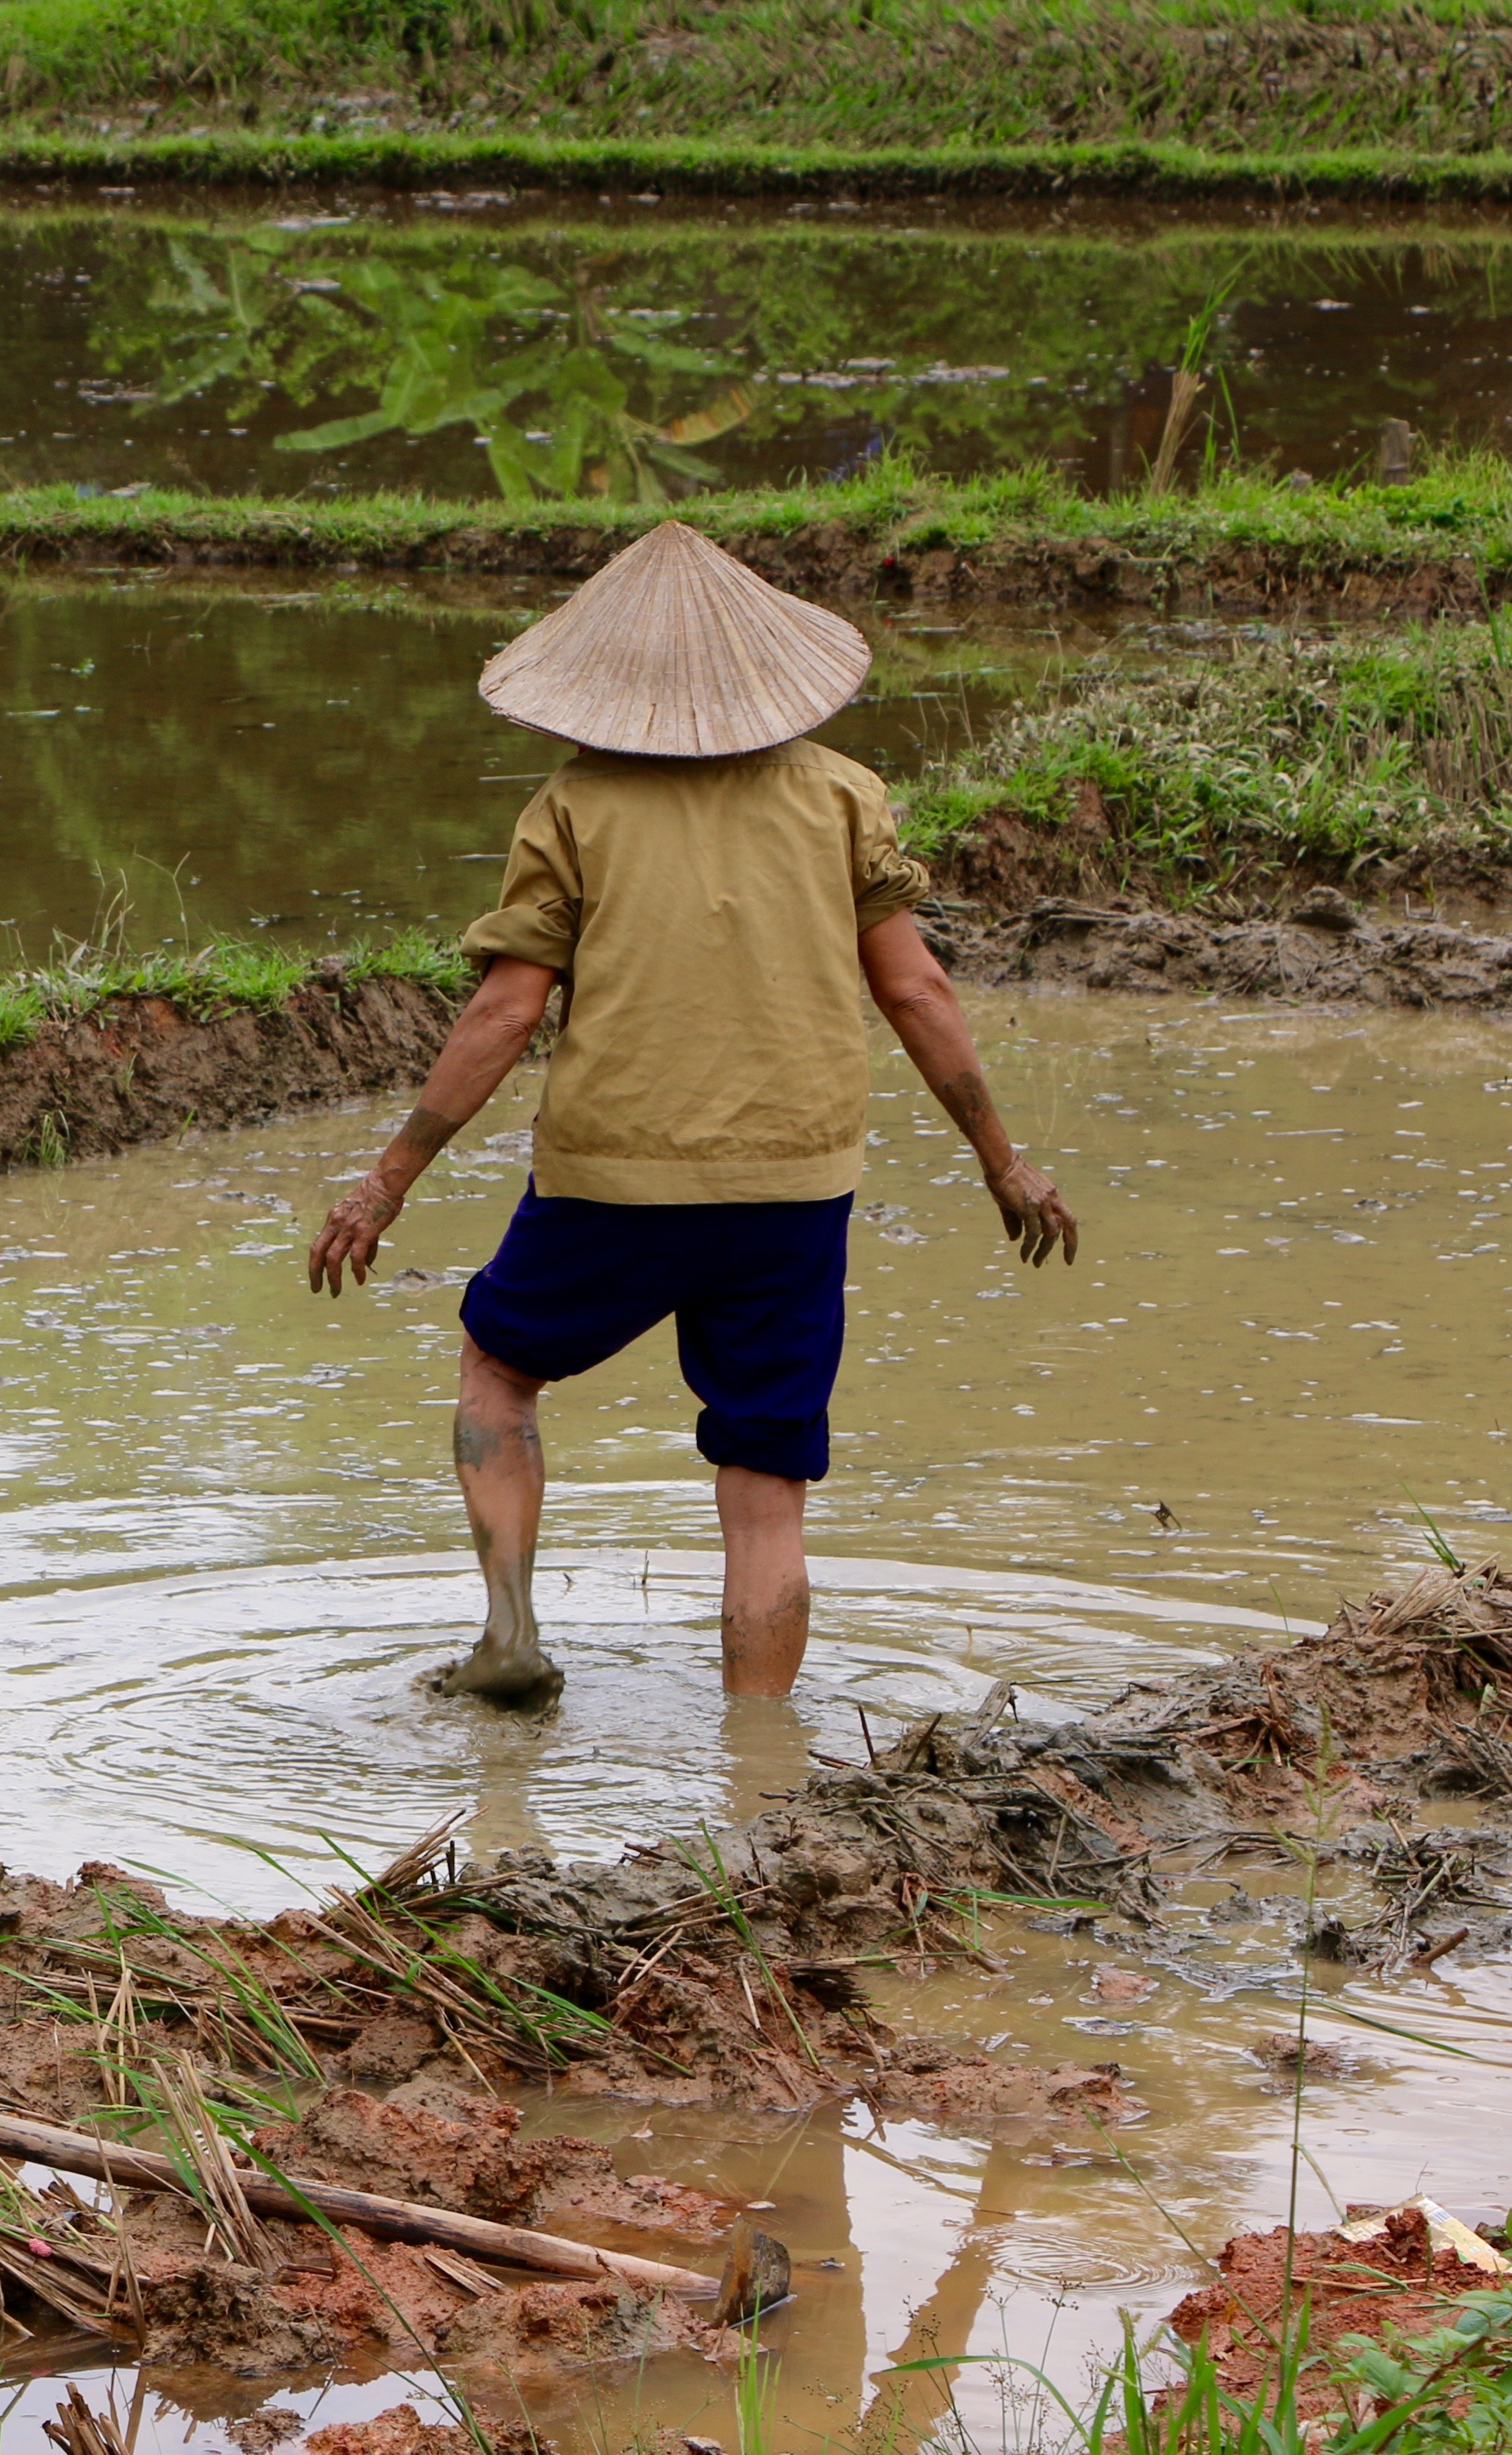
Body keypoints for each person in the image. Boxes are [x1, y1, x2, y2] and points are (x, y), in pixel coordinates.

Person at [305, 521, 1078, 1708]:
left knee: (500, 1369)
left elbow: (507, 1015)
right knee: (767, 1483)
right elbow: (915, 985)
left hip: (613, 1180)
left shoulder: (571, 807)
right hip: (795, 1186)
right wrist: (1002, 1161)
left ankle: (510, 1635)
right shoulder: (839, 796)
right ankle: (762, 1783)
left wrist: (387, 1180)